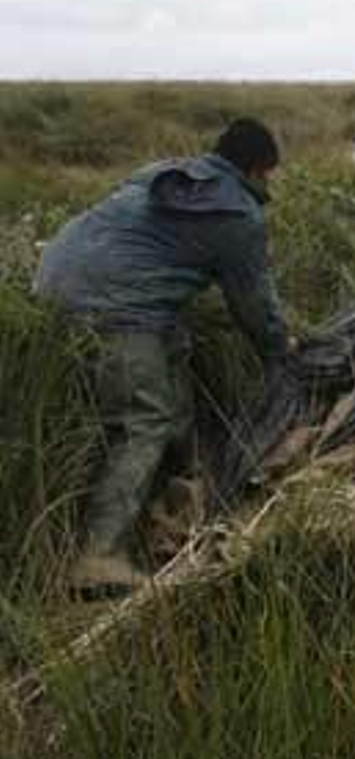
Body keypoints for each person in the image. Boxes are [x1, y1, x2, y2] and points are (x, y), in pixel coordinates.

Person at [34, 119, 292, 595]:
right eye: (270, 175)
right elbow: (254, 305)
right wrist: (282, 353)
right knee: (144, 421)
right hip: (116, 309)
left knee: (175, 350)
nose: (271, 184)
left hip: (56, 279)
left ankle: (171, 498)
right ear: (257, 169)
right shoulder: (236, 215)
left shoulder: (171, 174)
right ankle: (99, 555)